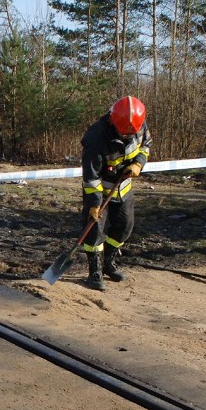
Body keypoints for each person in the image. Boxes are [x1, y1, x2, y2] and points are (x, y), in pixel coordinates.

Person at [79, 95, 151, 291]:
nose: (126, 137)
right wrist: (94, 204)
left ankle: (109, 263)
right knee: (95, 232)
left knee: (125, 227)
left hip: (123, 188)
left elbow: (146, 146)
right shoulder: (95, 139)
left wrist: (138, 163)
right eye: (122, 133)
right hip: (100, 191)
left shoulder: (139, 126)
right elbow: (91, 177)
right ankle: (95, 271)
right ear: (112, 120)